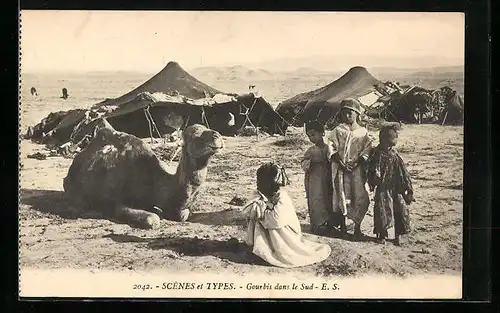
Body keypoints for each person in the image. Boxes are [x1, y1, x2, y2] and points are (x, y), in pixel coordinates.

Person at [242, 162, 332, 268]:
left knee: (263, 218)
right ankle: (258, 249)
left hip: (285, 235)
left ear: (270, 183)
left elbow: (276, 220)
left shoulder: (282, 197)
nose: (258, 184)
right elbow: (247, 210)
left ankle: (268, 251)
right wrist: (263, 206)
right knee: (257, 216)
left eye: (260, 181)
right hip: (270, 226)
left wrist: (264, 209)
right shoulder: (260, 194)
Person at [329, 98, 373, 241]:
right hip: (341, 170)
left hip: (357, 171)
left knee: (359, 196)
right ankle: (342, 227)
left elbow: (367, 149)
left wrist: (359, 162)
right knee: (341, 196)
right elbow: (331, 147)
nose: (347, 116)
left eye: (350, 113)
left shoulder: (363, 132)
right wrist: (340, 162)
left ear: (357, 114)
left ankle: (357, 228)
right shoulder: (338, 130)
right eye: (344, 113)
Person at [367, 124, 415, 245]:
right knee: (382, 210)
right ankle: (382, 233)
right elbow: (369, 170)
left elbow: (403, 173)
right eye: (394, 138)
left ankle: (400, 234)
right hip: (383, 188)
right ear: (385, 140)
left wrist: (408, 188)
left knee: (400, 209)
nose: (396, 140)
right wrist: (372, 181)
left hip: (396, 188)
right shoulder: (376, 154)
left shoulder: (394, 155)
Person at [301, 121, 334, 235]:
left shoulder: (329, 148)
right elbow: (304, 162)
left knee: (328, 198)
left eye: (313, 134)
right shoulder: (311, 150)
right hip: (314, 179)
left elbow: (333, 159)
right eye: (309, 136)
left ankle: (329, 223)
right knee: (316, 199)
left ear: (322, 133)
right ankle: (317, 224)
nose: (311, 138)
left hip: (327, 177)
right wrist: (310, 163)